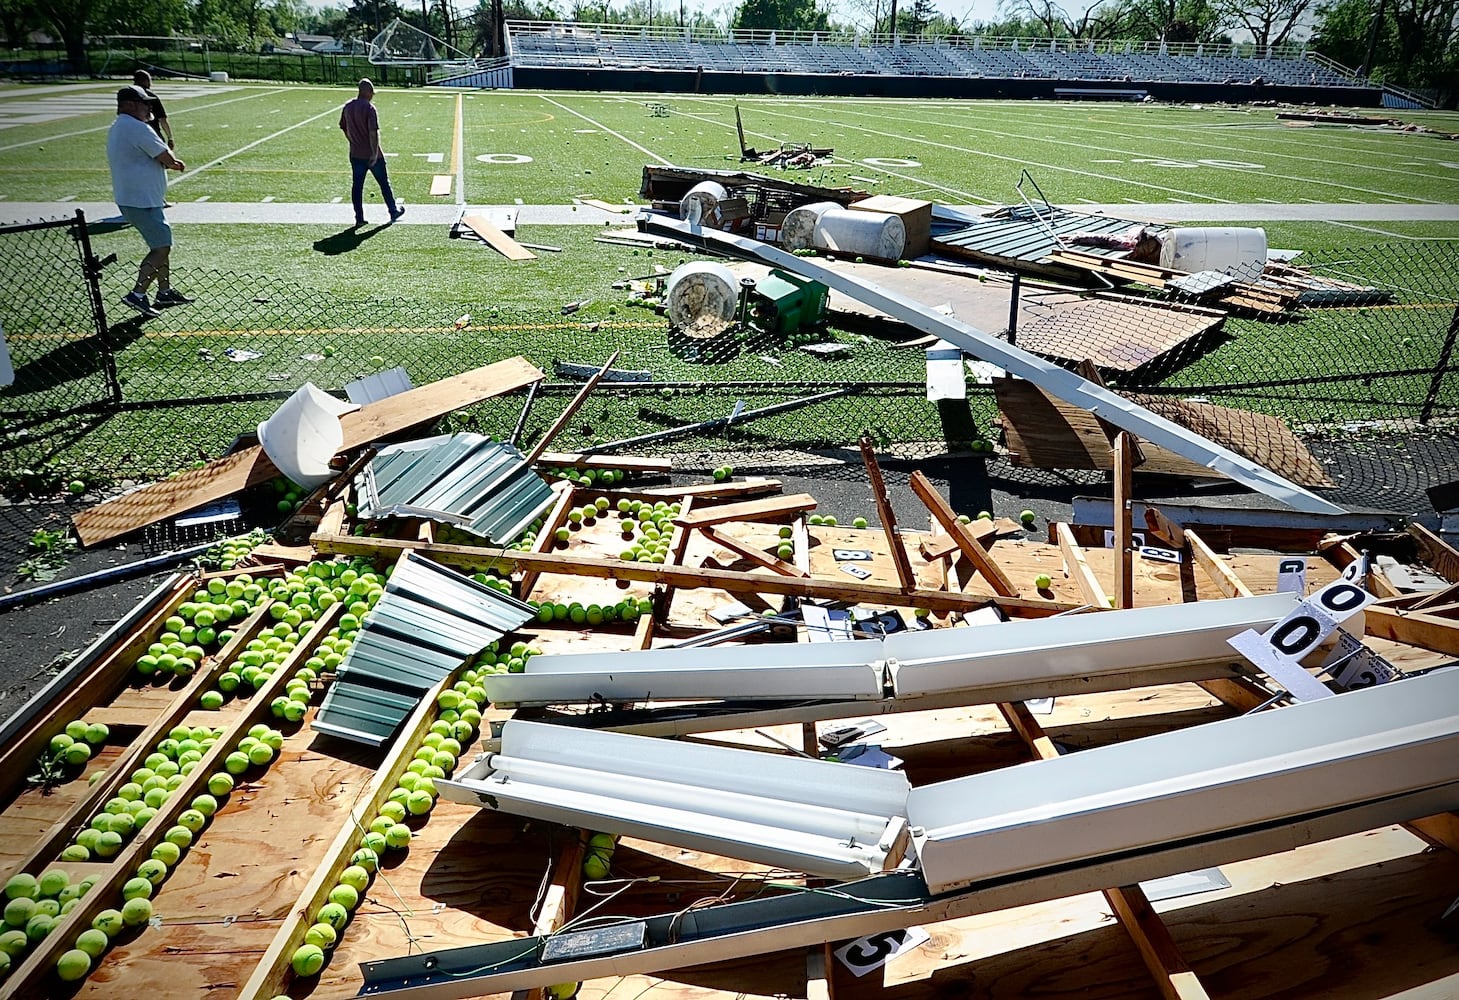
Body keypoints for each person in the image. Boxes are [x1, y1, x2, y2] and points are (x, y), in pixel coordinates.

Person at [107, 85, 192, 318]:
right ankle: (138, 294)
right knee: (161, 246)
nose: (149, 108)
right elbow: (167, 158)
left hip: (137, 198)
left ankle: (164, 291)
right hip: (141, 200)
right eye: (145, 103)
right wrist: (174, 163)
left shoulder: (120, 126)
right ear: (130, 104)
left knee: (160, 244)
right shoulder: (137, 127)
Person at [339, 78, 404, 227]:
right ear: (367, 92)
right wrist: (374, 153)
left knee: (357, 186)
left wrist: (351, 140)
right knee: (383, 183)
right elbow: (373, 133)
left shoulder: (348, 107)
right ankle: (393, 210)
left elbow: (343, 126)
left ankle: (359, 217)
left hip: (355, 153)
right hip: (371, 154)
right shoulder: (369, 109)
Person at [132, 70, 174, 149]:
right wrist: (170, 137)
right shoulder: (151, 96)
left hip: (132, 134)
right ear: (146, 81)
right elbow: (162, 119)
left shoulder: (127, 95)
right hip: (152, 133)